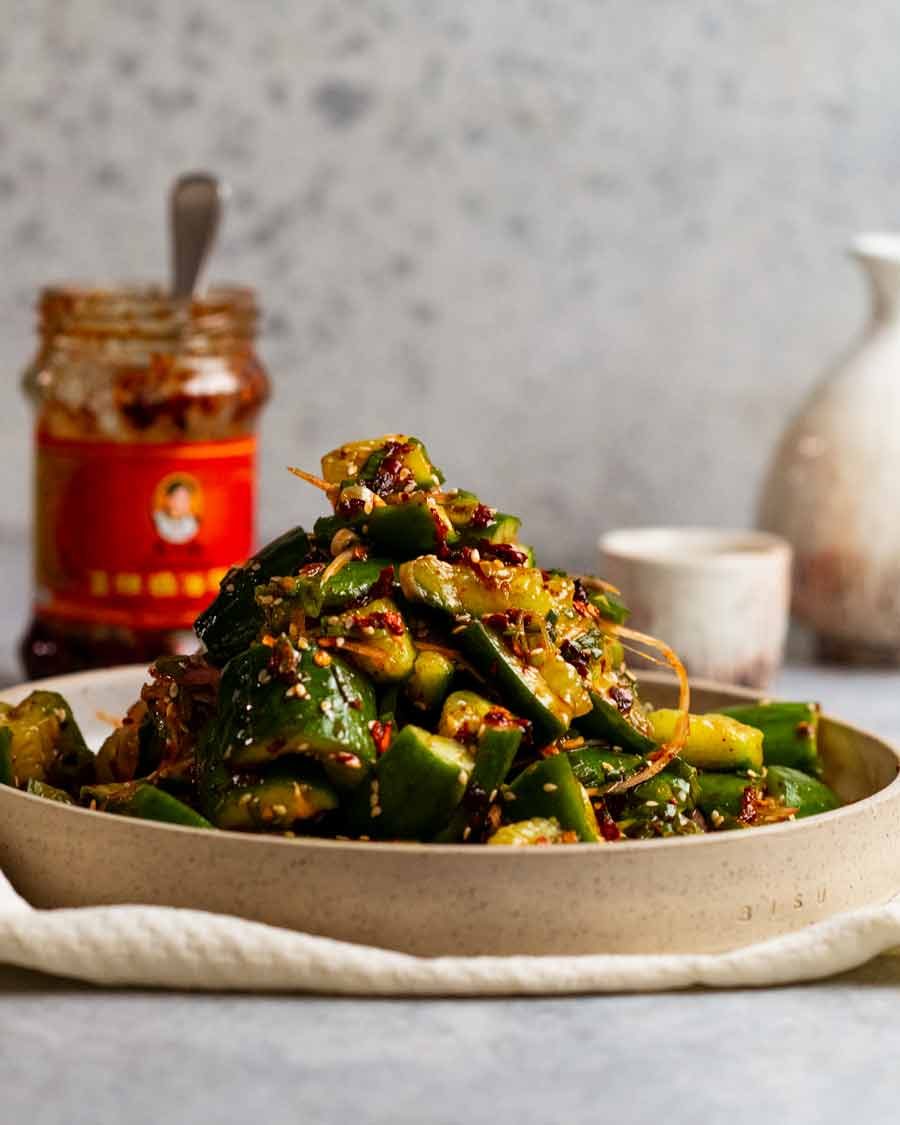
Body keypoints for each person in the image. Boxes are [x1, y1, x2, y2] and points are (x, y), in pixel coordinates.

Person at [153, 480, 200, 545]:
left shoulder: (192, 523)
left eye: (188, 499)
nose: (186, 503)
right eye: (182, 498)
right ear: (169, 500)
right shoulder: (157, 519)